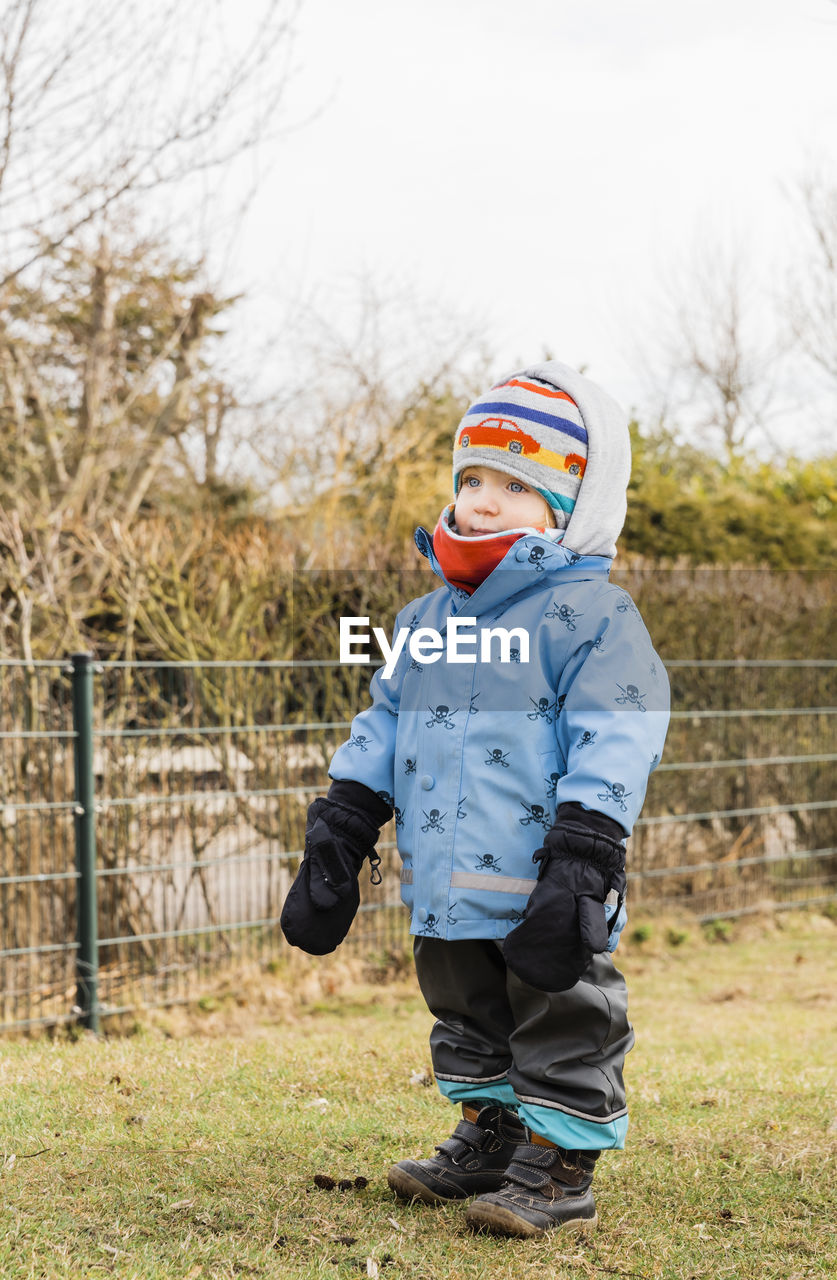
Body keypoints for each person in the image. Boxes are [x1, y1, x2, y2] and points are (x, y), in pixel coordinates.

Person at [280, 360, 670, 1238]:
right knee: (460, 999)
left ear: (570, 510)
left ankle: (559, 1157)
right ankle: (488, 1132)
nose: (482, 501)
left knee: (559, 1003)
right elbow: (384, 716)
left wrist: (585, 852)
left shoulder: (591, 616)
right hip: (444, 876)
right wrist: (343, 819)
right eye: (471, 479)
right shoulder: (423, 620)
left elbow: (619, 729)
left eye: (515, 485)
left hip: (541, 876)